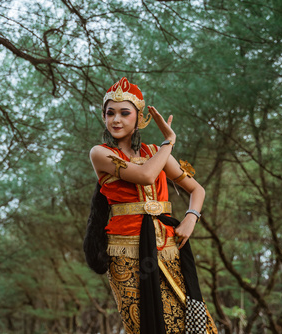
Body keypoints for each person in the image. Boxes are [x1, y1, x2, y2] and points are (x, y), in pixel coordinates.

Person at [84, 77, 218, 333]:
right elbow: (145, 175)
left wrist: (190, 218)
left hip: (169, 248)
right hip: (126, 254)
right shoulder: (101, 153)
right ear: (104, 117)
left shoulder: (157, 151)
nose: (116, 120)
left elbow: (197, 189)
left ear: (140, 118)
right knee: (145, 324)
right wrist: (169, 143)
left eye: (125, 113)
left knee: (194, 323)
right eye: (110, 113)